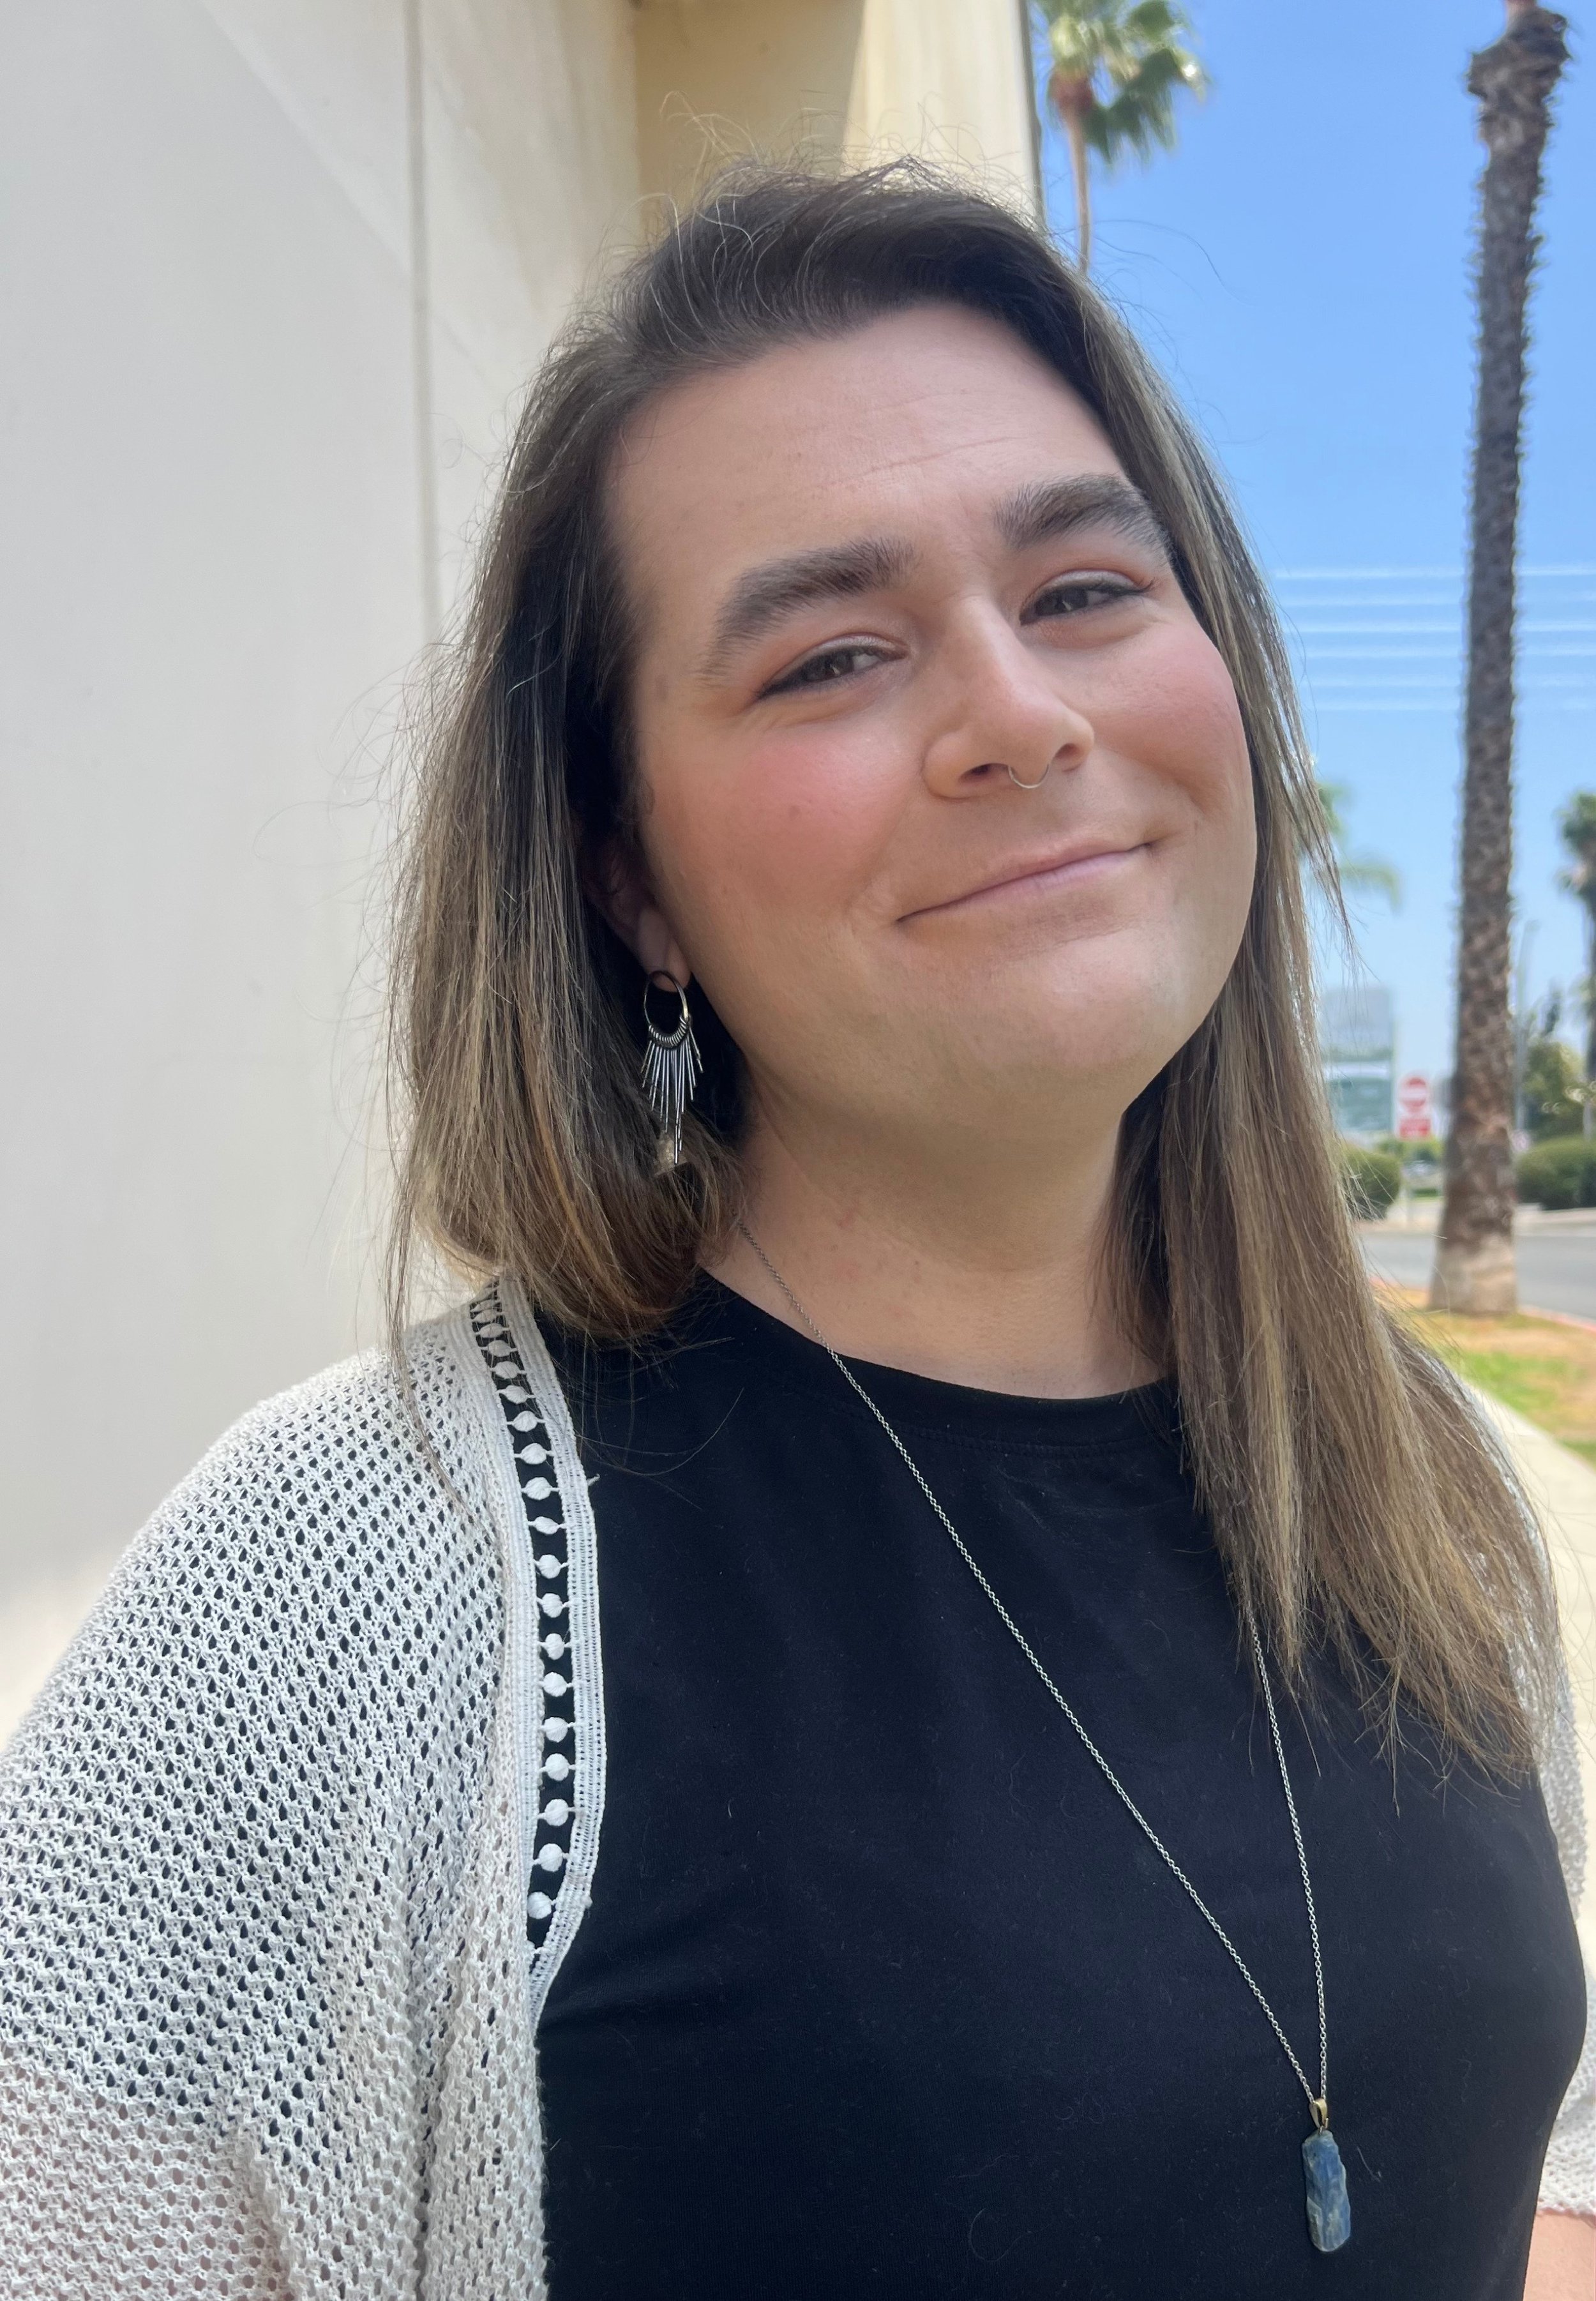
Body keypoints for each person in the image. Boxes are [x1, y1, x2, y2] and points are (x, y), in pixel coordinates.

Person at [0, 163, 1591, 2301]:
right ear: (625, 879)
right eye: (831, 653)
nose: (1019, 715)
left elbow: (1526, 2135)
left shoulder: (1436, 1484)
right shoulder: (345, 1591)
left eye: (1090, 589)